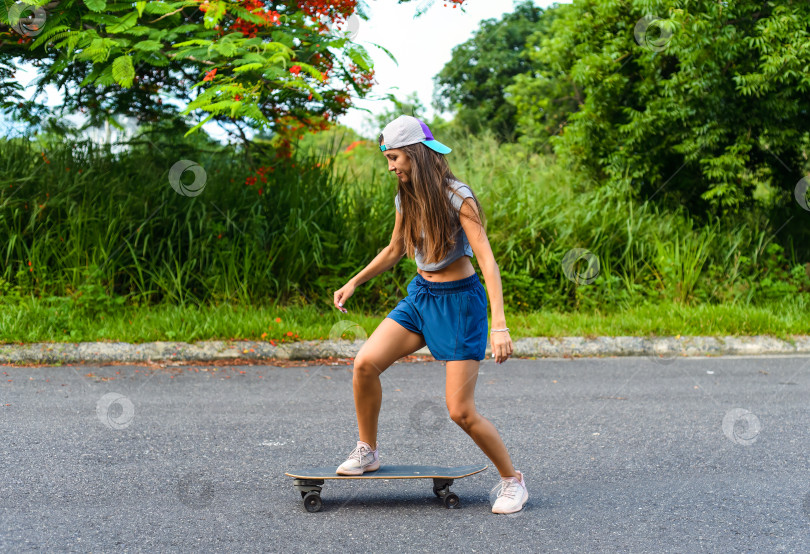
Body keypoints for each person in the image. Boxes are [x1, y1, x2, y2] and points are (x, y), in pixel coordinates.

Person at [331, 115, 527, 514]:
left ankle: (513, 481)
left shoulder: (458, 197)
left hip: (460, 305)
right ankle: (367, 450)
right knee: (365, 363)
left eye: (395, 158)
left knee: (460, 412)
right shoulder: (406, 196)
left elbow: (488, 263)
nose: (391, 167)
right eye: (388, 159)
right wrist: (354, 281)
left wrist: (500, 325)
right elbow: (394, 250)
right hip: (421, 298)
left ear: (416, 154)